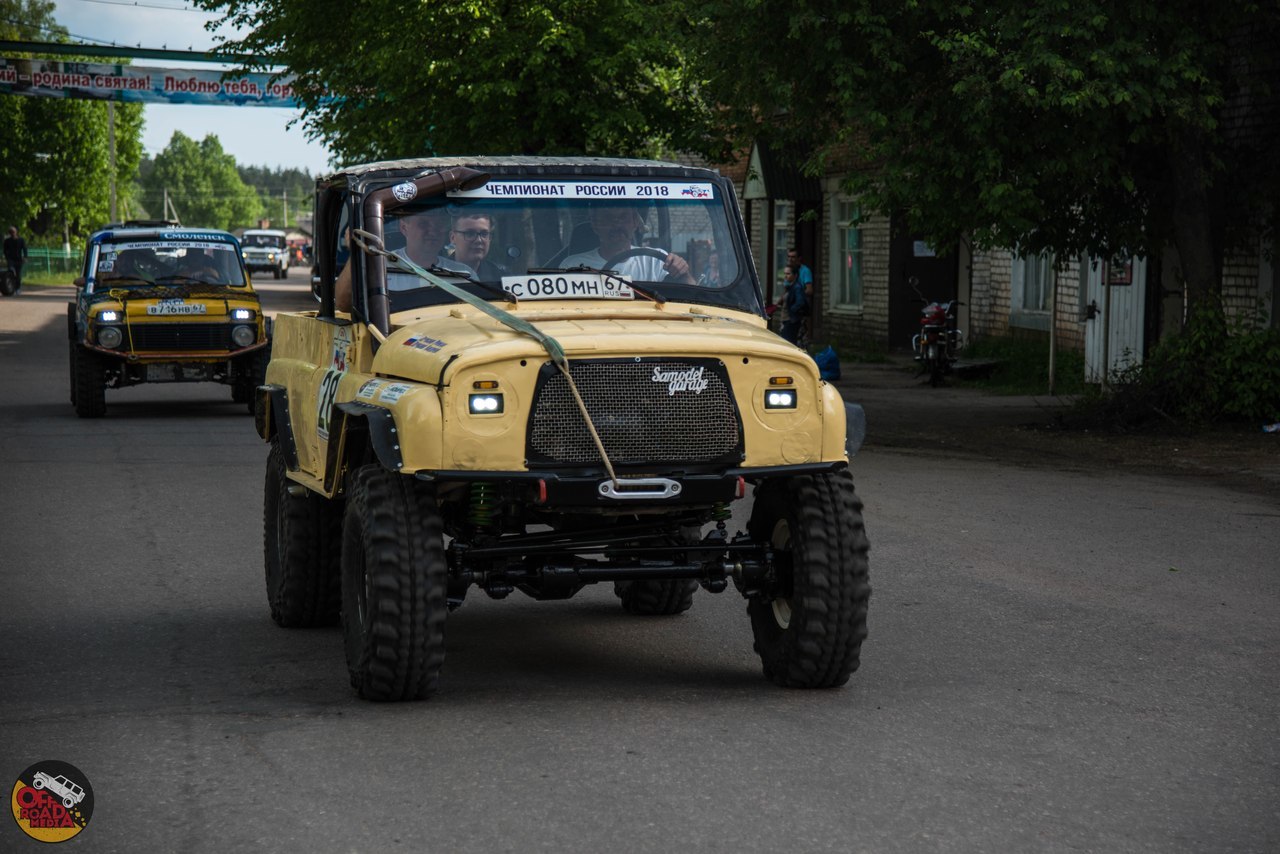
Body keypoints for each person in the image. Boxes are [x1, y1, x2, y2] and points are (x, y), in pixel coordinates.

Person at [335, 207, 461, 312]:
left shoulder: (462, 273)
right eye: (424, 224)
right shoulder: (378, 265)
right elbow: (343, 304)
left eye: (439, 225)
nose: (433, 232)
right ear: (404, 228)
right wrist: (356, 252)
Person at [562, 202, 693, 283]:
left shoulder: (656, 261)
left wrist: (683, 273)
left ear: (635, 222)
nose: (616, 224)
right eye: (608, 218)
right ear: (595, 225)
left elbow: (690, 295)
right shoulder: (572, 266)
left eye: (623, 217)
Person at [448, 211, 506, 280]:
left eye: (484, 234)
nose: (479, 240)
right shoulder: (437, 276)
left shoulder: (501, 278)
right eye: (470, 233)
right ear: (453, 237)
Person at [777, 264, 808, 345]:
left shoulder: (797, 287)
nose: (785, 276)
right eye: (785, 274)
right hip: (786, 320)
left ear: (795, 275)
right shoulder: (790, 286)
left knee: (788, 343)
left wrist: (792, 310)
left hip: (791, 321)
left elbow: (800, 302)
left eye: (788, 274)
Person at [4, 226, 27, 293]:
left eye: (13, 232)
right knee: (10, 272)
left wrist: (25, 257)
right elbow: (5, 250)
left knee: (18, 276)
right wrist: (7, 258)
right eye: (11, 232)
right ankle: (10, 287)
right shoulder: (7, 241)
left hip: (18, 260)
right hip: (11, 259)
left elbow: (25, 249)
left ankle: (17, 288)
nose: (12, 233)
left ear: (16, 232)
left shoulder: (21, 240)